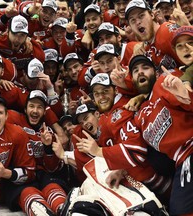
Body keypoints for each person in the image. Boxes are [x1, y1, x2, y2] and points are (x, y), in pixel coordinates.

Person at [75, 55, 193, 215]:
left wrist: (184, 94)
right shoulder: (138, 113)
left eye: (145, 67)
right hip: (176, 166)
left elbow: (137, 151)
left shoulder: (164, 85)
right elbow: (140, 148)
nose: (102, 96)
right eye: (135, 71)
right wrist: (122, 169)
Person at [6, 90, 67, 216]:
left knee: (53, 187)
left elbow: (51, 168)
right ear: (25, 109)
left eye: (39, 107)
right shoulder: (13, 118)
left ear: (45, 112)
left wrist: (48, 147)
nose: (35, 110)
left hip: (43, 175)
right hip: (20, 175)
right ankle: (39, 211)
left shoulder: (49, 133)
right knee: (29, 194)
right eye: (32, 106)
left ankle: (64, 210)